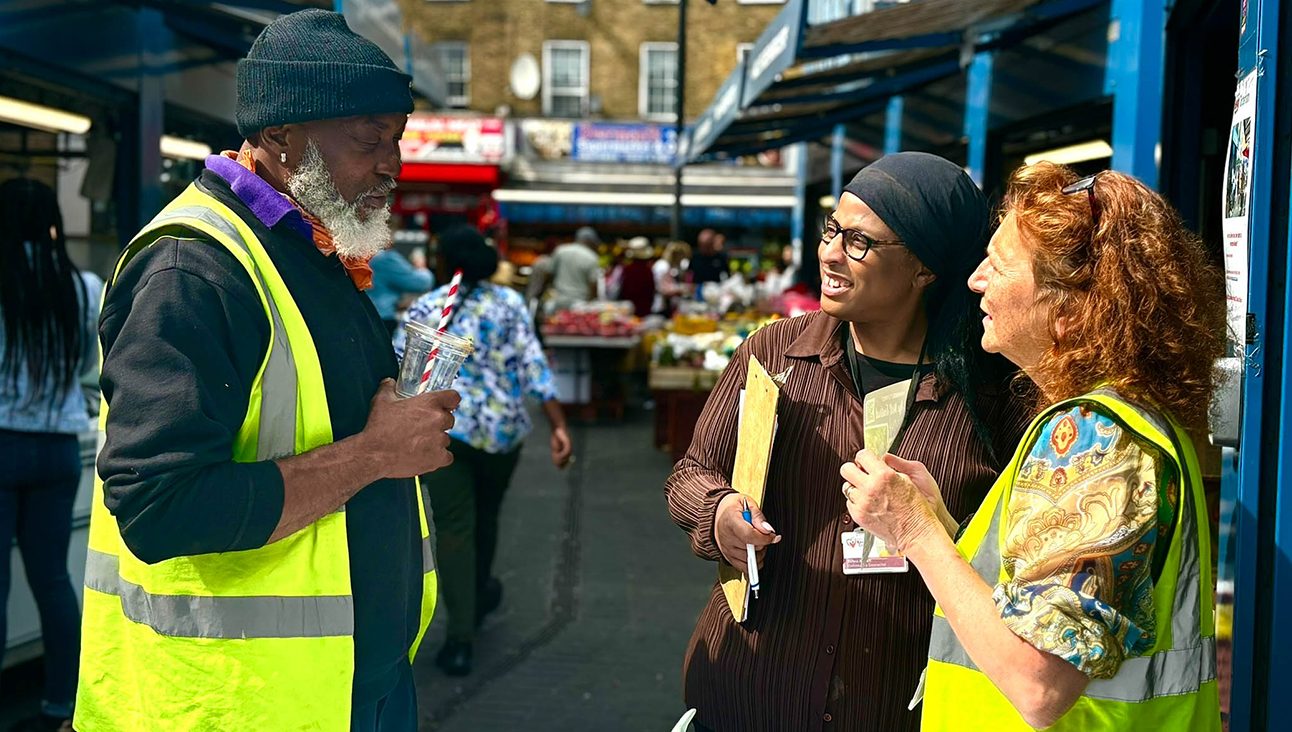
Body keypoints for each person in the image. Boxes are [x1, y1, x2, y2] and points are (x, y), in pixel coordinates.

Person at [75, 11, 459, 731]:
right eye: (369, 138)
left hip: (355, 687)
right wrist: (377, 453)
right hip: (234, 704)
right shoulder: (192, 268)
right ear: (281, 135)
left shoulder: (316, 251)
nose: (392, 164)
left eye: (397, 139)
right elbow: (160, 509)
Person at [842, 163, 1225, 730]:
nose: (974, 281)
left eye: (998, 266)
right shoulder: (1119, 423)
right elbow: (1032, 605)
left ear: (1071, 310)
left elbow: (1038, 682)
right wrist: (943, 526)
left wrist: (914, 533)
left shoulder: (1096, 439)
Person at [665, 152, 1033, 732]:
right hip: (750, 694)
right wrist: (719, 515)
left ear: (924, 269)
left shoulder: (993, 398)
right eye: (832, 229)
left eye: (860, 241)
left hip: (892, 702)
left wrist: (939, 530)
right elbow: (691, 471)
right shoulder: (773, 355)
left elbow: (1017, 566)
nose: (831, 253)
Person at [398, 225, 573, 677]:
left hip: (445, 434)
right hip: (503, 436)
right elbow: (532, 365)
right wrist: (558, 426)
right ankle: (478, 595)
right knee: (486, 517)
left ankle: (461, 636)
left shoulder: (427, 307)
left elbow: (403, 374)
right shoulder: (509, 305)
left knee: (457, 529)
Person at [0, 178, 102, 732]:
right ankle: (63, 705)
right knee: (53, 580)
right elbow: (89, 361)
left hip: (2, 442)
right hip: (59, 448)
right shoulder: (81, 285)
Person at [533, 225, 602, 312]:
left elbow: (548, 275)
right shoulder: (592, 257)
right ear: (589, 241)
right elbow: (593, 285)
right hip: (579, 304)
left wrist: (540, 294)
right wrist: (591, 304)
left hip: (558, 300)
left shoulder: (561, 250)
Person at [367, 246, 434, 336]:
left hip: (367, 316)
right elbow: (421, 282)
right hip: (382, 319)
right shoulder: (385, 259)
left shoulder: (360, 256)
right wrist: (420, 266)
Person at [617, 236, 657, 318]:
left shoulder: (626, 269)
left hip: (627, 310)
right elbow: (651, 291)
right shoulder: (648, 271)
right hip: (645, 311)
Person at [652, 240, 690, 315]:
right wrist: (682, 289)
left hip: (669, 305)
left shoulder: (673, 266)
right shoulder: (662, 266)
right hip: (660, 306)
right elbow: (663, 289)